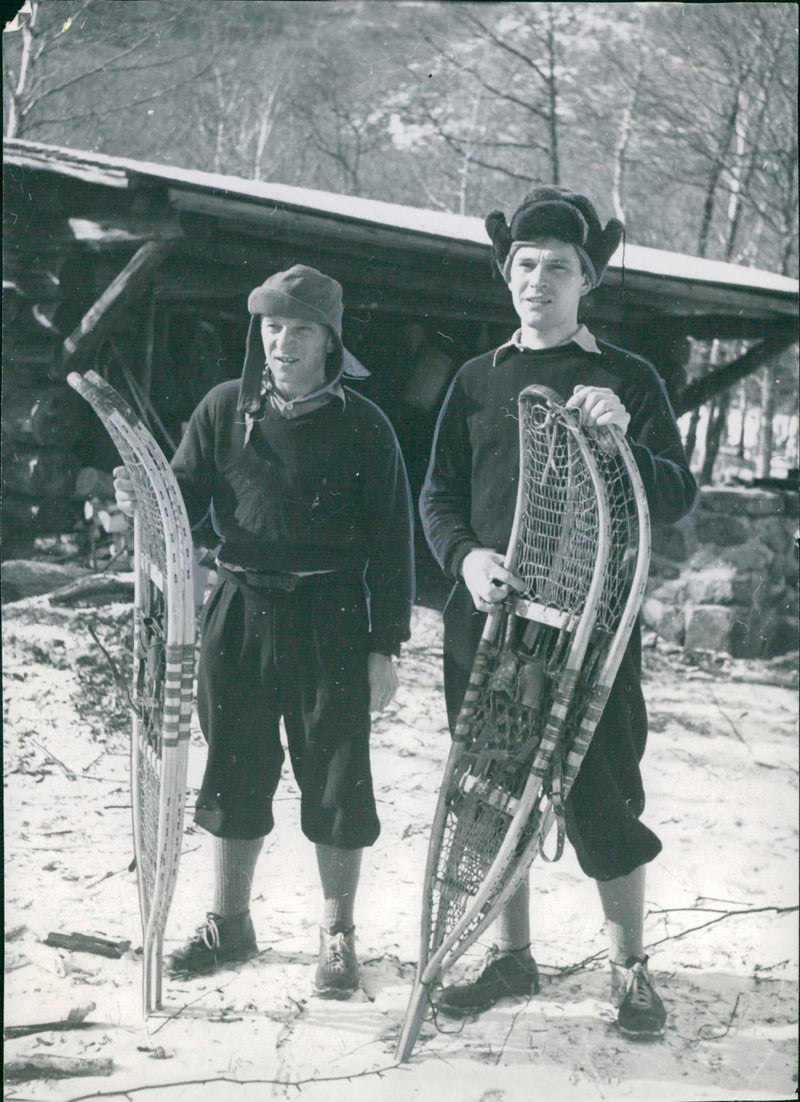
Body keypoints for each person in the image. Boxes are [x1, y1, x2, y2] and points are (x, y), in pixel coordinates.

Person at [419, 187, 698, 1038]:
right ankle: (511, 955)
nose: (539, 279)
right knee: (491, 792)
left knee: (603, 793)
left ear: (588, 281)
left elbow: (675, 494)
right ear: (507, 278)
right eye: (526, 265)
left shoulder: (626, 379)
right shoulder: (477, 380)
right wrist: (465, 558)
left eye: (559, 267)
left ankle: (629, 969)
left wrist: (625, 442)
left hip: (594, 631)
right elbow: (439, 498)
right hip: (493, 626)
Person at [114, 264, 414, 998]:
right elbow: (176, 504)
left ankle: (337, 935)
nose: (282, 342)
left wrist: (386, 645)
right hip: (239, 612)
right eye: (272, 326)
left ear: (330, 341)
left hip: (333, 619)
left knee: (339, 779)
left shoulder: (366, 427)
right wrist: (139, 499)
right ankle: (230, 922)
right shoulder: (224, 410)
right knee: (235, 767)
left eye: (300, 328)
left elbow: (394, 545)